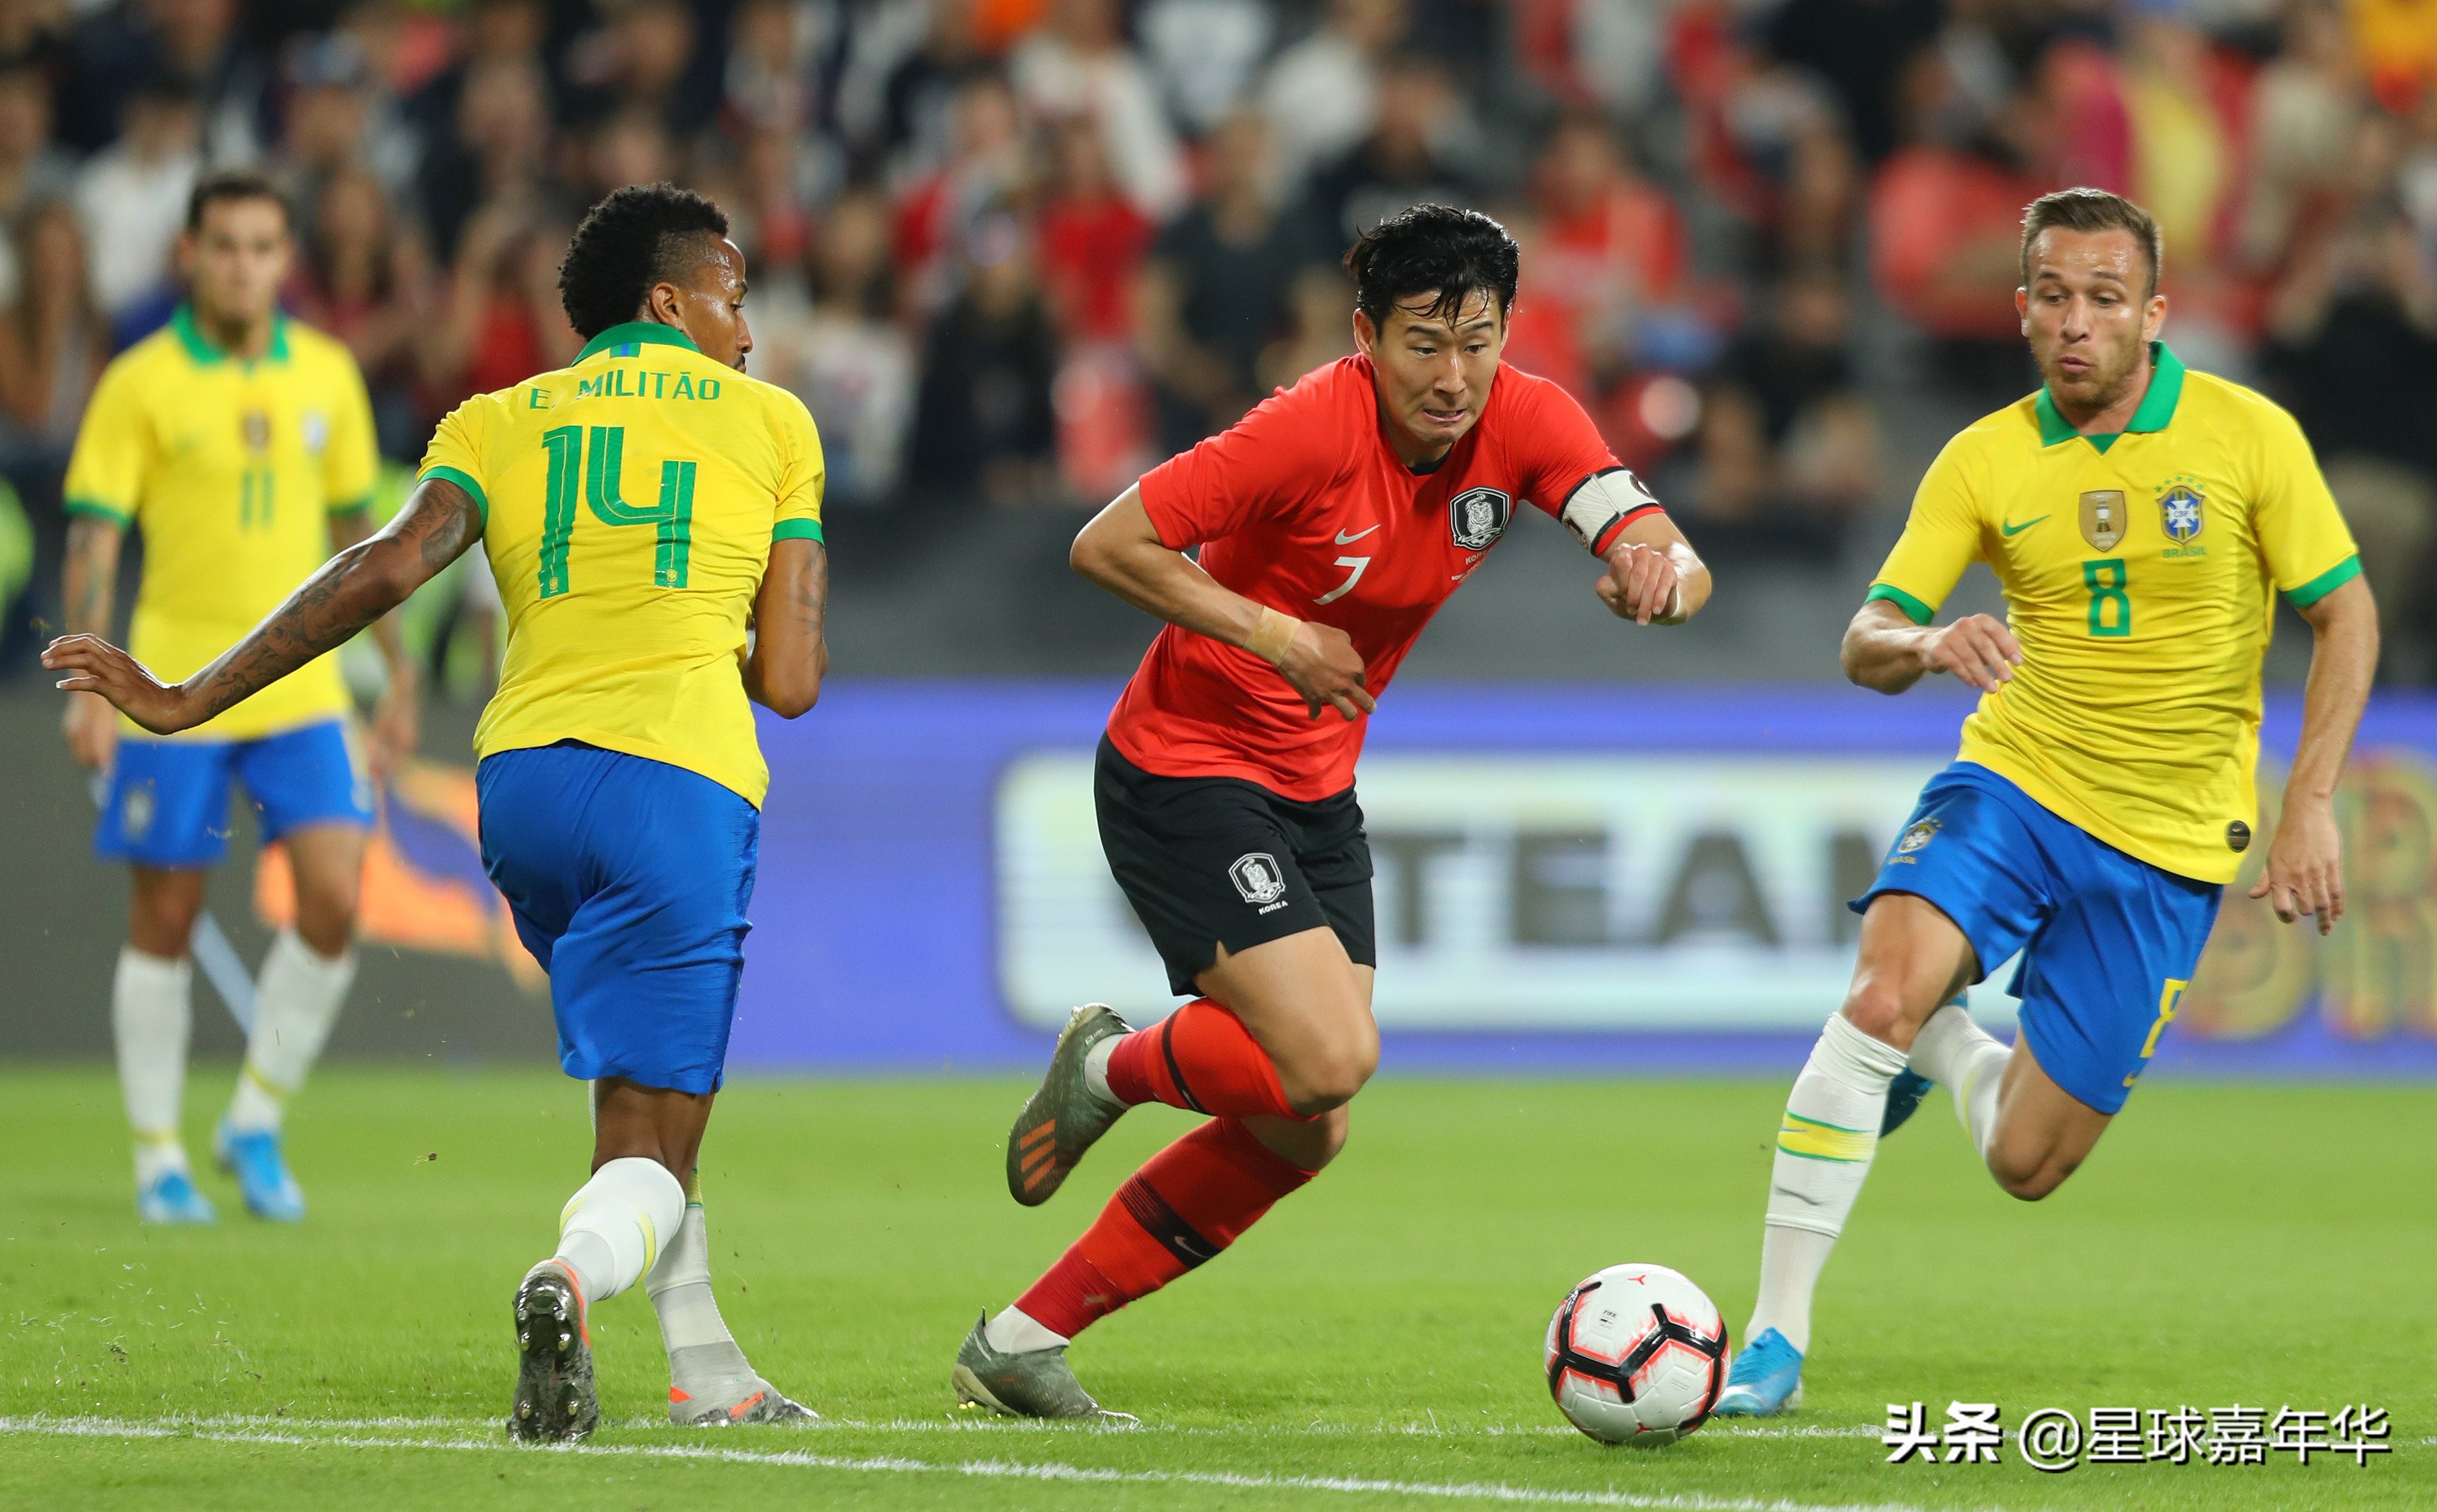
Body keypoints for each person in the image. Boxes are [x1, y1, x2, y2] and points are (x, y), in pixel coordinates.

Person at [45, 183, 831, 1440]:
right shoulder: (775, 422)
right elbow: (790, 682)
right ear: (669, 300)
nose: (749, 327)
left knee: (641, 1095)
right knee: (651, 1133)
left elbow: (381, 569)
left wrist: (192, 691)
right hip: (675, 781)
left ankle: (708, 1367)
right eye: (734, 299)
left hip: (521, 791)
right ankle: (566, 1279)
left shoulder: (498, 417)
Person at [951, 203, 1712, 1420]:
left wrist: (1657, 581)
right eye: (1421, 341)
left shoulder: (1525, 414)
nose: (1452, 374)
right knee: (1330, 1058)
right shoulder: (1306, 426)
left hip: (1313, 788)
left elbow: (1660, 543)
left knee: (1308, 1126)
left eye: (1476, 340)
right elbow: (1110, 541)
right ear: (1364, 336)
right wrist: (1271, 631)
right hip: (1182, 765)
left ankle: (1019, 1338)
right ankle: (1110, 1063)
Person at [1712, 189, 2378, 1417]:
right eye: (2054, 298)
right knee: (1873, 991)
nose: (2076, 324)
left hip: (2170, 842)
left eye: (2104, 300)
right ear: (2020, 309)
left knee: (2025, 1162)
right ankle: (1772, 1338)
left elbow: (2343, 611)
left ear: (2153, 314)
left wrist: (2311, 803)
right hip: (2015, 781)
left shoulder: (2246, 436)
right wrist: (1917, 645)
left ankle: (1947, 1042)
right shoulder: (1980, 456)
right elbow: (1865, 634)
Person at [57, 168, 413, 1226]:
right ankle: (159, 1154)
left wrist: (393, 672)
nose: (243, 264)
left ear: (286, 258)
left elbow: (371, 544)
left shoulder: (330, 375)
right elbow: (92, 533)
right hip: (170, 682)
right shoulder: (141, 381)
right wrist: (88, 686)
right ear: (189, 255)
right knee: (165, 916)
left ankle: (253, 1117)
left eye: (262, 246)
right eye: (224, 245)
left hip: (300, 688)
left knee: (337, 900)